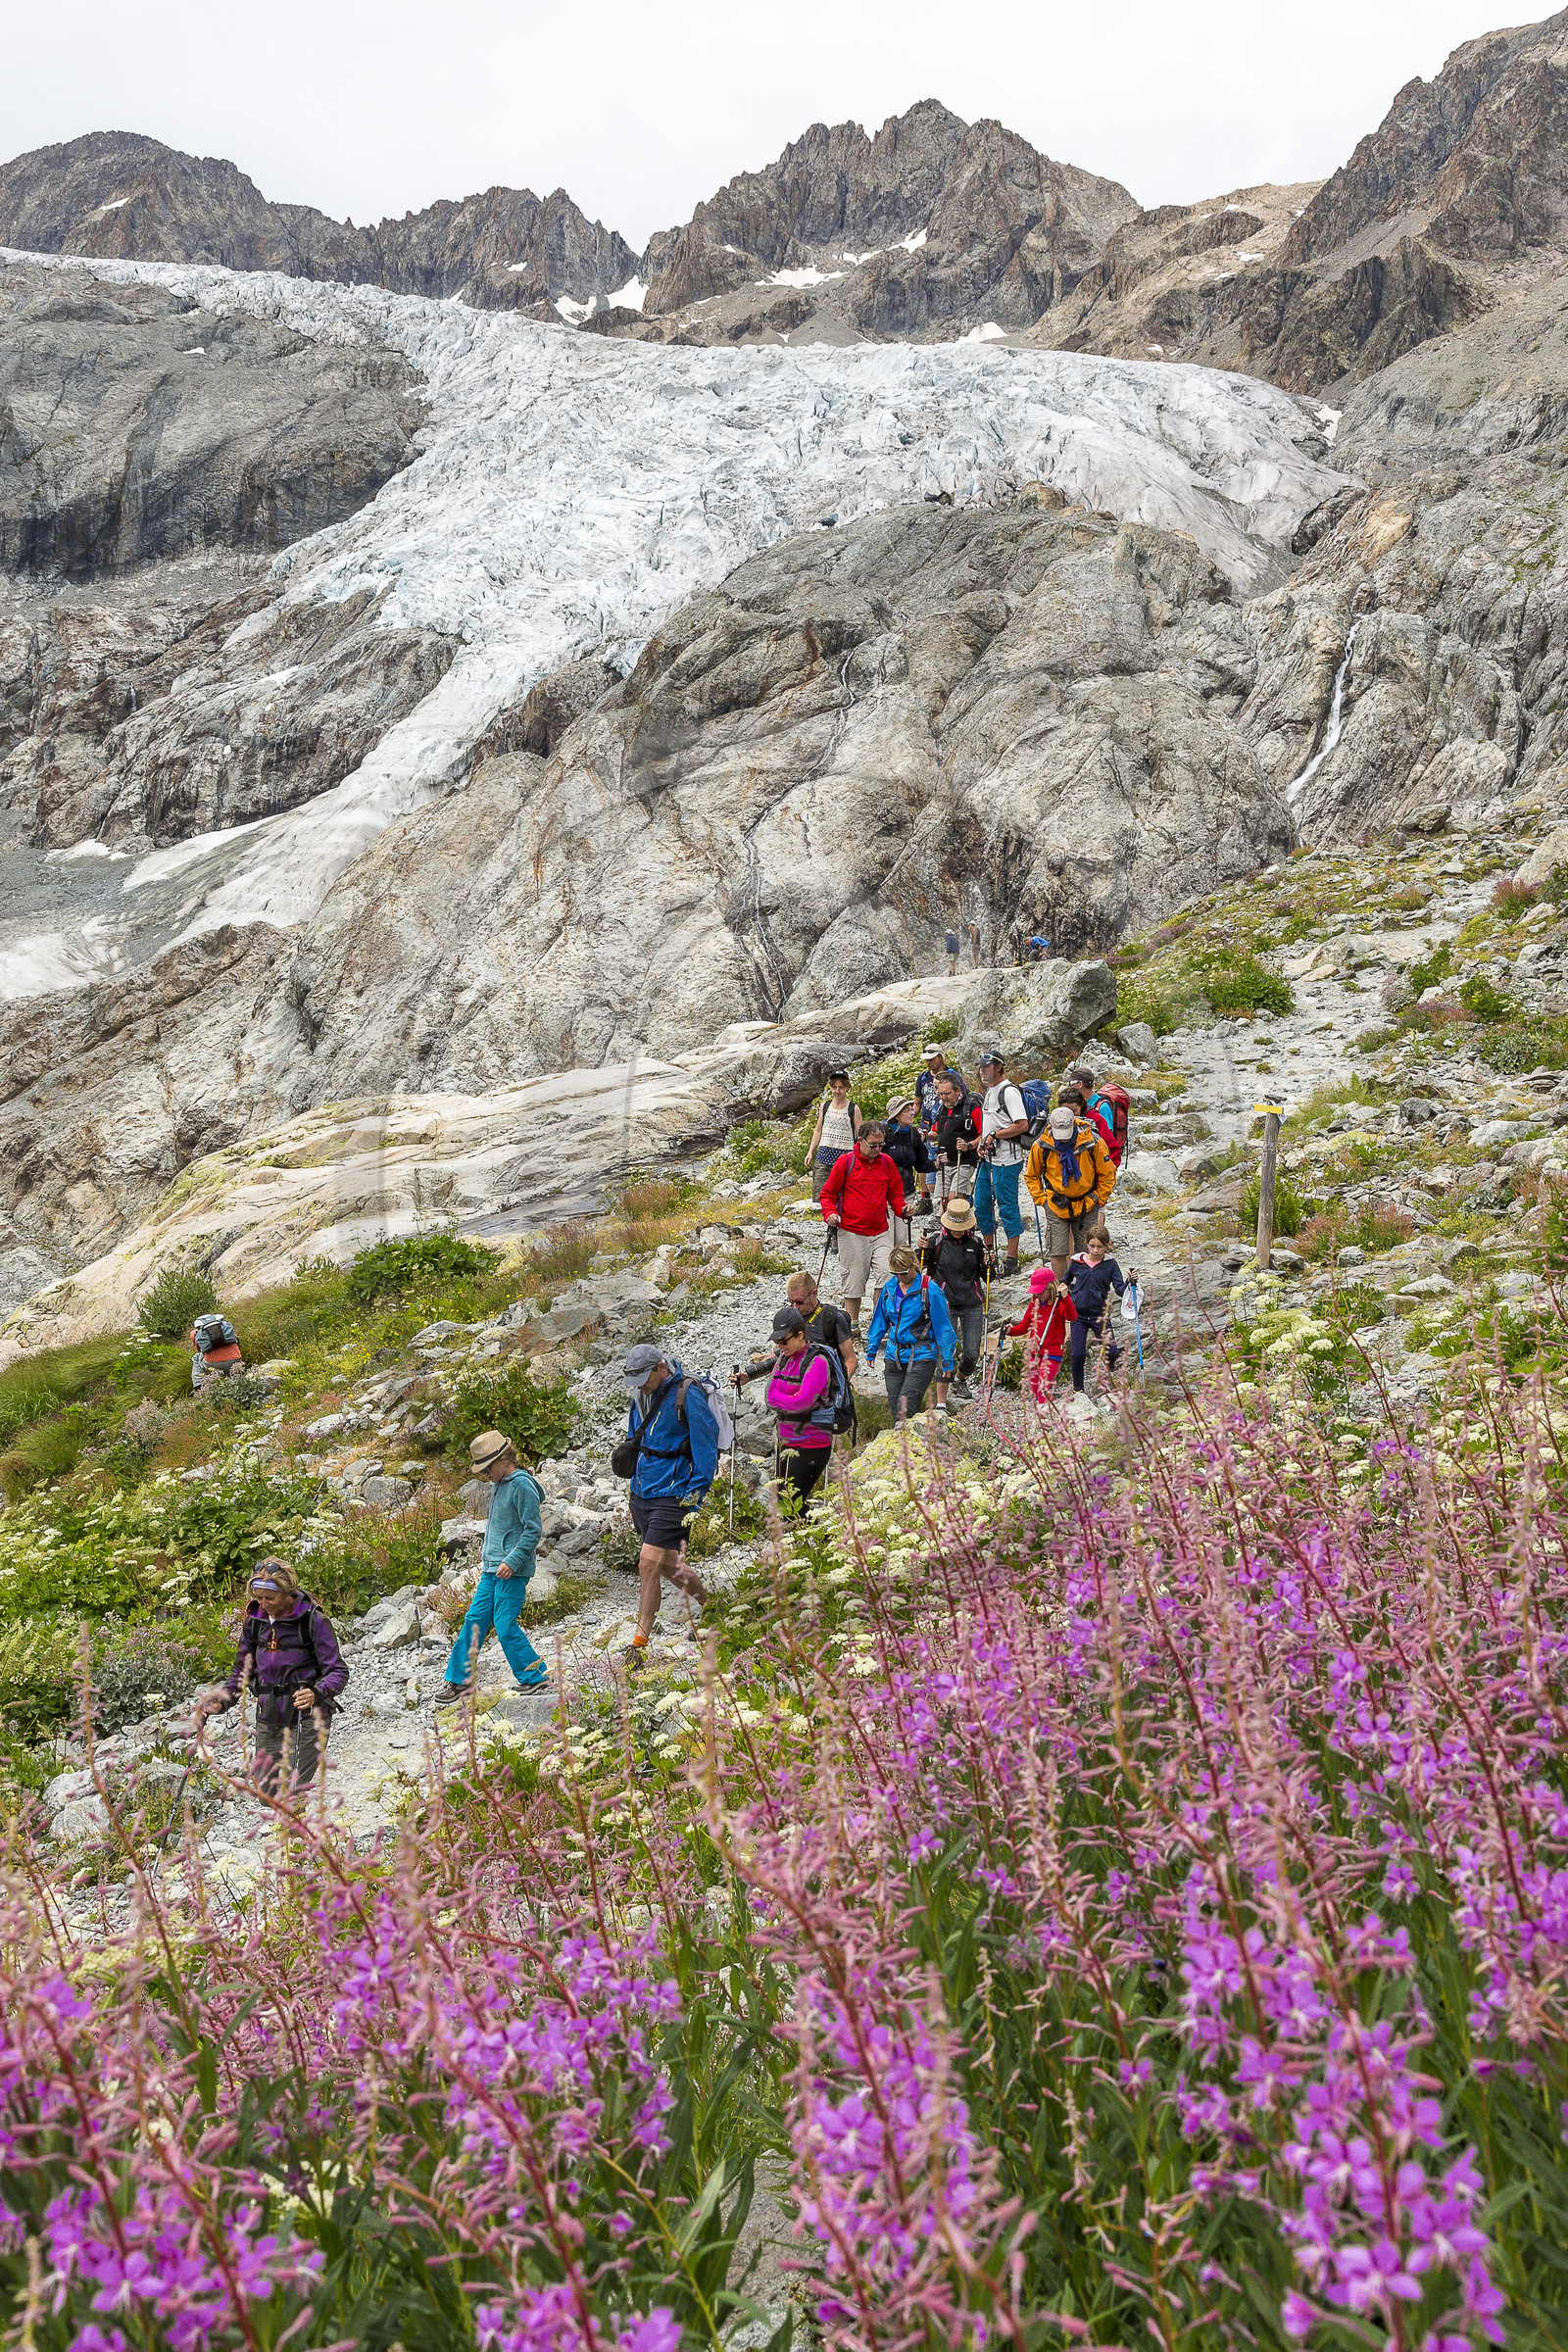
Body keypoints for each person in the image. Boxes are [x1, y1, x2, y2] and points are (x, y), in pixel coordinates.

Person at [196, 1557, 348, 1794]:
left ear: (288, 1592)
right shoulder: (255, 1621)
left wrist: (316, 1693)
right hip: (269, 1713)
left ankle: (298, 1830)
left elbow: (338, 1670)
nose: (263, 1603)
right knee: (268, 1793)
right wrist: (223, 1699)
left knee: (291, 1790)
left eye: (270, 1598)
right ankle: (295, 1829)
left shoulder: (313, 1620)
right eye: (258, 1597)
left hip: (307, 1717)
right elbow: (242, 1671)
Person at [616, 1345, 717, 1669]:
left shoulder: (688, 1393)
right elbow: (635, 1435)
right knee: (666, 1564)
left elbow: (706, 1446)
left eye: (646, 1378)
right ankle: (714, 1606)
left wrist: (695, 1497)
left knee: (647, 1563)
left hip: (675, 1492)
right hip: (642, 1490)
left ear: (661, 1367)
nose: (642, 1386)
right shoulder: (640, 1395)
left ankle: (639, 1644)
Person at [434, 1431, 549, 1703]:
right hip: (491, 1570)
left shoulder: (522, 1485)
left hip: (512, 1570)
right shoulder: (500, 1483)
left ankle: (536, 1677)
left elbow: (533, 1531)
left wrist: (512, 1560)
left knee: (504, 1624)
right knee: (474, 1620)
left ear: (503, 1460)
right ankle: (461, 1681)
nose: (485, 1474)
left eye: (487, 1468)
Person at [819, 1122, 906, 1331]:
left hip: (881, 1230)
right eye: (873, 1145)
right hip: (851, 1231)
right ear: (861, 1141)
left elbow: (895, 1193)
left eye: (881, 1145)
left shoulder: (886, 1163)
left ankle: (879, 1325)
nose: (878, 1150)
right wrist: (830, 1213)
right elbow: (827, 1194)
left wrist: (903, 1209)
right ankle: (853, 1329)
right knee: (854, 1282)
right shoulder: (844, 1162)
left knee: (888, 1275)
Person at [864, 1244, 956, 1422]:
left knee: (904, 1410)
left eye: (903, 1272)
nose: (899, 1277)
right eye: (895, 1273)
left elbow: (943, 1327)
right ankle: (907, 1445)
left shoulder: (930, 1289)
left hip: (922, 1355)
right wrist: (872, 1348)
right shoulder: (889, 1288)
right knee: (895, 1410)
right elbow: (879, 1320)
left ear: (914, 1265)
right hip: (893, 1355)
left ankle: (906, 1445)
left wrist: (947, 1360)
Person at [762, 1307, 836, 1507]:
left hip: (812, 1444)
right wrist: (787, 1398)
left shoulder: (818, 1362)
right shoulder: (783, 1359)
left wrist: (780, 1396)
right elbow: (768, 1398)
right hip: (786, 1441)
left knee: (791, 1502)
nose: (779, 1345)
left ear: (800, 1335)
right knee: (785, 1501)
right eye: (777, 1341)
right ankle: (812, 1535)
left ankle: (823, 1537)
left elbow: (801, 1403)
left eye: (783, 1341)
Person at [921, 1197, 989, 1405]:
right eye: (955, 1227)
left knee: (972, 1353)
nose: (958, 1231)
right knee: (946, 1348)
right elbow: (922, 1266)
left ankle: (960, 1379)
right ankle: (942, 1399)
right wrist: (923, 1249)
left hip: (972, 1302)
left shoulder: (976, 1243)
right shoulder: (935, 1241)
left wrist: (989, 1264)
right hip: (945, 1303)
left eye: (962, 1227)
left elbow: (987, 1275)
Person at [973, 1049, 1030, 1277]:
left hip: (1007, 1160)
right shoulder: (989, 1091)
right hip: (988, 1158)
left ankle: (1012, 1258)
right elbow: (991, 1124)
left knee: (1007, 1206)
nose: (982, 1072)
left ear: (998, 1067)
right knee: (981, 1205)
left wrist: (995, 1136)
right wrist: (981, 1142)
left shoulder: (1008, 1091)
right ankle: (989, 1255)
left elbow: (1022, 1124)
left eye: (986, 1067)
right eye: (980, 1067)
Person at [1066, 1232, 1136, 1401]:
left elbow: (1119, 1289)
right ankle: (1078, 1390)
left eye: (1100, 1246)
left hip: (1101, 1315)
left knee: (1112, 1352)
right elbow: (1065, 1281)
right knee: (1077, 1354)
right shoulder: (1076, 1261)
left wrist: (1129, 1282)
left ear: (1106, 1245)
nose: (1096, 1250)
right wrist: (1062, 1292)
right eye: (1092, 1246)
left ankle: (1110, 1373)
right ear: (1086, 1244)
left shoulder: (1111, 1264)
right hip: (1078, 1315)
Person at [1007, 1266, 1076, 1404]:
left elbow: (1072, 1316)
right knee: (1033, 1388)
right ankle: (1048, 1412)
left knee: (1042, 1390)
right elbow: (1025, 1326)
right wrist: (1010, 1331)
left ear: (1051, 1288)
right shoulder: (1034, 1303)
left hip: (1052, 1353)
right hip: (1035, 1352)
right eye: (1036, 1291)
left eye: (1040, 1291)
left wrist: (1065, 1297)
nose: (1037, 1295)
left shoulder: (1059, 1303)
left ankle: (1048, 1417)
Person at [786, 1269, 858, 1378]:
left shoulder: (833, 1317)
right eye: (791, 1302)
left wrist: (839, 1387)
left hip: (825, 1380)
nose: (795, 1307)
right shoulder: (790, 1316)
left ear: (814, 1293)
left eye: (800, 1302)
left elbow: (851, 1360)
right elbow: (779, 1351)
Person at [806, 1071, 860, 1203]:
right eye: (834, 1087)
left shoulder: (853, 1109)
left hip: (845, 1158)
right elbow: (818, 1130)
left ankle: (840, 1223)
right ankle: (825, 1222)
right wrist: (810, 1151)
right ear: (830, 1088)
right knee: (821, 1196)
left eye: (841, 1087)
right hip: (823, 1156)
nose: (837, 1091)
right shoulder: (824, 1106)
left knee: (844, 1198)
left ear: (847, 1088)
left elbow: (860, 1135)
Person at [881, 1098, 935, 1231]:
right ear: (896, 1115)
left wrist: (936, 1165)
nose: (912, 1113)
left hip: (906, 1191)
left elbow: (920, 1164)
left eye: (912, 1109)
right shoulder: (882, 1132)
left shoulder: (913, 1133)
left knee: (901, 1237)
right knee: (887, 1234)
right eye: (907, 1111)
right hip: (885, 1192)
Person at [932, 1071, 981, 1207]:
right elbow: (936, 1132)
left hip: (964, 1160)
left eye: (947, 1093)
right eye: (941, 1094)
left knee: (955, 1198)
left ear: (958, 1090)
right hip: (945, 1161)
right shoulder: (942, 1107)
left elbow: (983, 1133)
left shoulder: (971, 1106)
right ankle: (948, 1228)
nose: (943, 1097)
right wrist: (924, 1135)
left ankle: (961, 1226)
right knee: (944, 1200)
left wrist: (969, 1145)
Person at [188, 1312, 244, 1392]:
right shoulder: (226, 1326)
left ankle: (198, 1385)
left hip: (212, 1364)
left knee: (196, 1357)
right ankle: (236, 1376)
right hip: (235, 1360)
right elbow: (236, 1341)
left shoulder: (195, 1333)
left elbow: (199, 1349)